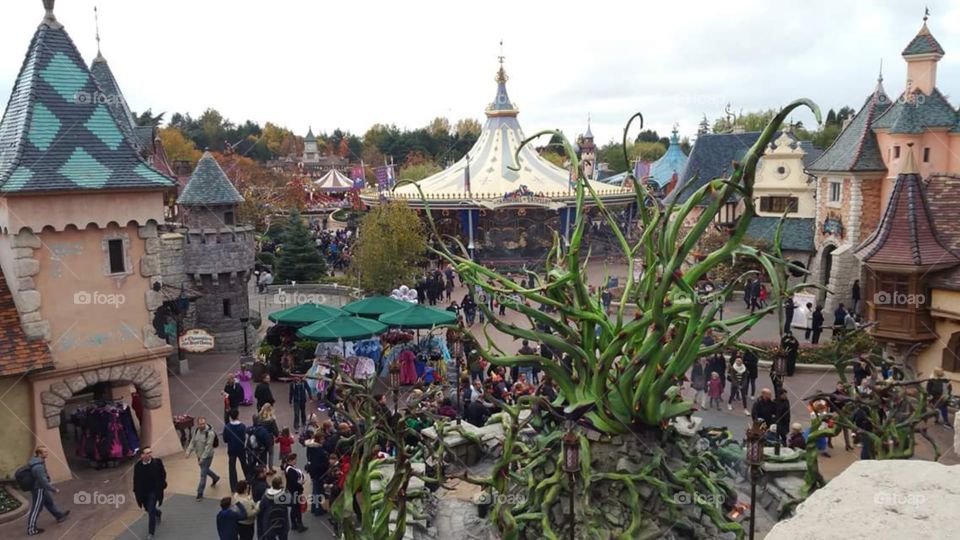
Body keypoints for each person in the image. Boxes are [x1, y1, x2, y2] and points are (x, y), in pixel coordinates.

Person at [24, 446, 70, 536]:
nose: (47, 453)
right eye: (45, 452)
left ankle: (59, 516)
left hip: (41, 488)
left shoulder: (38, 461)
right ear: (39, 454)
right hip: (38, 489)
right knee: (36, 508)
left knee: (49, 502)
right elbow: (43, 482)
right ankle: (31, 529)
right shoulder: (38, 467)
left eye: (46, 451)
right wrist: (54, 489)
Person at [133, 446, 166, 540]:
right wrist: (135, 490)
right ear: (142, 456)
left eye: (150, 452)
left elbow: (163, 474)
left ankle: (151, 532)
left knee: (151, 511)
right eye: (147, 453)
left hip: (154, 491)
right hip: (143, 492)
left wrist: (162, 484)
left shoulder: (157, 463)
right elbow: (136, 479)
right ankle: (158, 513)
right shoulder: (138, 466)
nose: (150, 455)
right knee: (148, 508)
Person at [185, 416, 221, 500]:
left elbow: (208, 447)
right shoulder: (196, 431)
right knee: (205, 469)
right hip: (199, 455)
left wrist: (203, 458)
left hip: (207, 456)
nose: (202, 425)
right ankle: (215, 477)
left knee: (203, 474)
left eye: (203, 423)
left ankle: (199, 493)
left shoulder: (210, 433)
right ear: (198, 424)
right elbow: (193, 442)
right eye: (200, 424)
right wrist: (188, 451)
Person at [223, 409, 248, 492]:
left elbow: (225, 439)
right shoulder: (242, 426)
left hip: (231, 449)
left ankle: (233, 486)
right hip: (241, 448)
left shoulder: (227, 427)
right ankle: (249, 480)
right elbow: (244, 437)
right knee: (244, 464)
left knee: (232, 467)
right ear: (238, 415)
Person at [304, 432, 329, 516]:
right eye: (322, 439)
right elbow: (319, 464)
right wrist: (326, 464)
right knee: (317, 491)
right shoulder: (319, 450)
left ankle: (314, 507)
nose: (324, 440)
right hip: (319, 473)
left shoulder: (311, 448)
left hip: (313, 472)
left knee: (315, 490)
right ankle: (318, 509)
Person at [283, 454, 308, 532]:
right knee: (297, 509)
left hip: (293, 490)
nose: (296, 461)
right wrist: (301, 485)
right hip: (295, 491)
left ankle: (294, 524)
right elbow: (294, 482)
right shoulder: (290, 470)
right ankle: (299, 525)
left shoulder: (289, 468)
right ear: (291, 460)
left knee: (294, 508)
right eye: (295, 459)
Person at [256, 403, 280, 469]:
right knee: (271, 454)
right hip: (269, 438)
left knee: (263, 454)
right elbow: (276, 431)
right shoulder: (271, 420)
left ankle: (263, 468)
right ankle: (270, 468)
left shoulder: (259, 419)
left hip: (261, 439)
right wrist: (277, 435)